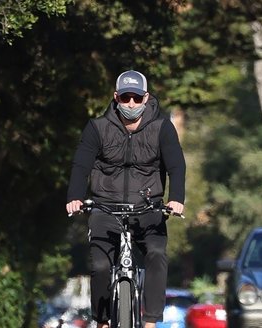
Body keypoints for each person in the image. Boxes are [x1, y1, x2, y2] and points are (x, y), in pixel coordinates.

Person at [66, 70, 186, 328]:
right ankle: (102, 321)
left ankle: (151, 322)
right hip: (104, 209)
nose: (131, 104)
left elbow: (176, 166)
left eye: (136, 98)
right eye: (125, 98)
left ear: (146, 98)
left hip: (148, 208)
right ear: (116, 97)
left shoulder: (162, 128)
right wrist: (75, 196)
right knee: (99, 266)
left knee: (155, 254)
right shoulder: (97, 128)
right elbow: (81, 165)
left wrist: (176, 199)